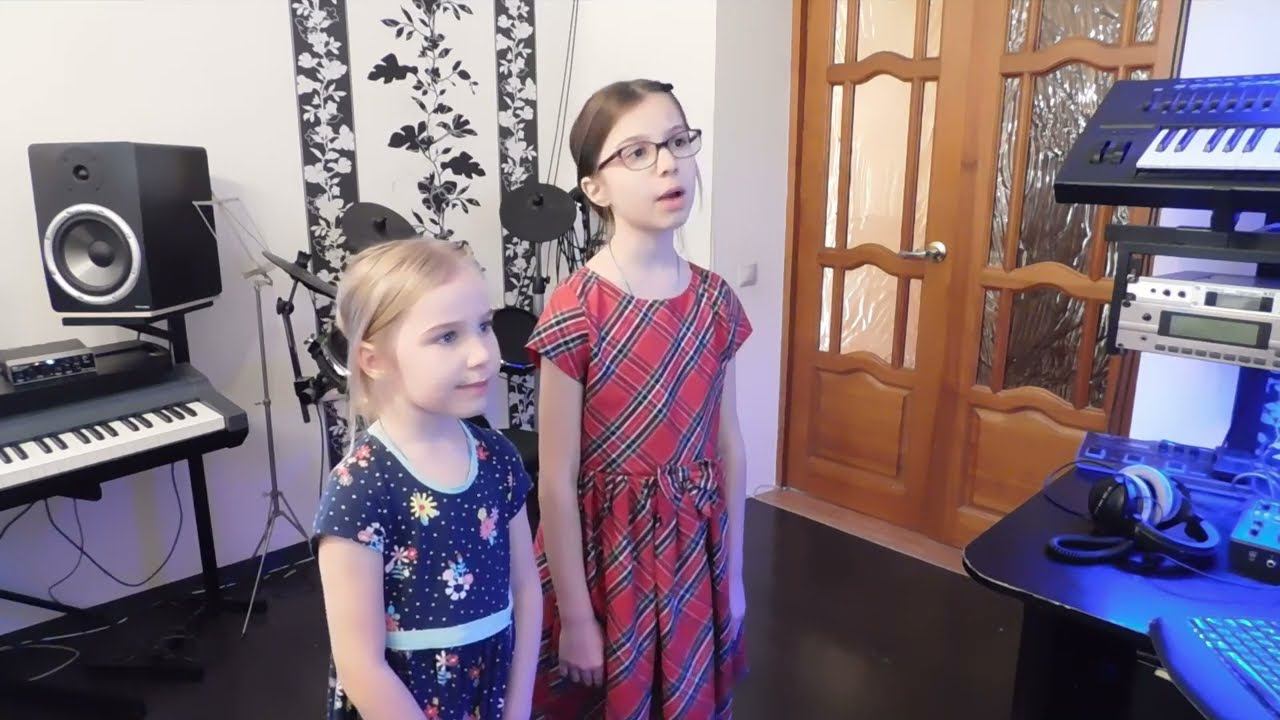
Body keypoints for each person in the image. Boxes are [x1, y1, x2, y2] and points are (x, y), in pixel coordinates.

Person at [528, 79, 752, 719]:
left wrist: (735, 575)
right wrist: (576, 616)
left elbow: (730, 447)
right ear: (595, 188)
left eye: (677, 142)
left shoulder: (715, 301)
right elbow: (556, 480)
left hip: (694, 554)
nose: (667, 164)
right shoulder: (577, 308)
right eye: (636, 152)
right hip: (606, 559)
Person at [313, 238, 541, 720]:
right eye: (447, 337)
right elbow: (360, 665)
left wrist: (519, 705)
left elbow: (526, 590)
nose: (482, 354)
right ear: (374, 360)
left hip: (490, 694)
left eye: (484, 326)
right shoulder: (361, 487)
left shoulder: (498, 459)